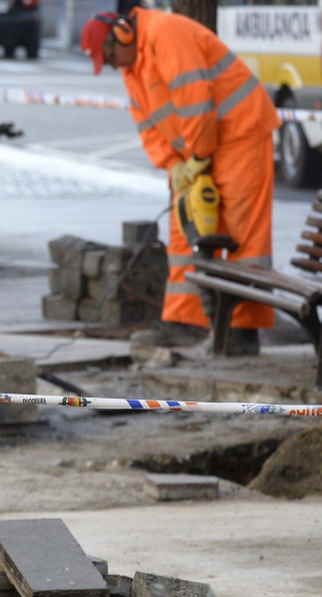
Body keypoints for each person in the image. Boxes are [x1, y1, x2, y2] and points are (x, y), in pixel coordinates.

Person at [81, 7, 278, 355]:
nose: (113, 66)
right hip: (195, 151)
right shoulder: (132, 65)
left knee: (241, 232)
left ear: (123, 35)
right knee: (184, 230)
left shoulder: (167, 35)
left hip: (240, 133)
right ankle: (185, 321)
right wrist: (174, 166)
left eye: (109, 57)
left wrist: (198, 157)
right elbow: (147, 123)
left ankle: (242, 331)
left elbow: (194, 100)